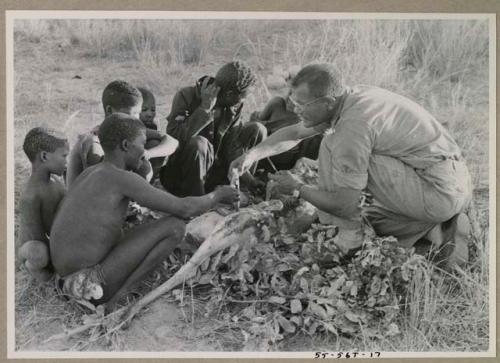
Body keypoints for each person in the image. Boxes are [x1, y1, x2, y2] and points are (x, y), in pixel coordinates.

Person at [231, 63, 472, 268]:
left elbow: (344, 205)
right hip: (448, 181)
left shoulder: (352, 126)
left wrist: (297, 187)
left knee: (331, 145)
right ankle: (440, 230)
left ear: (327, 101)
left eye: (301, 104)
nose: (294, 108)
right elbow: (295, 131)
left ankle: (348, 239)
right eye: (293, 101)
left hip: (439, 189)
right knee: (371, 222)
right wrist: (252, 155)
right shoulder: (351, 97)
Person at [50, 113, 239, 308]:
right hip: (88, 285)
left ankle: (102, 293)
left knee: (144, 228)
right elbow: (184, 208)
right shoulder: (121, 178)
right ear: (125, 146)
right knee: (175, 227)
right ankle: (118, 299)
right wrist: (217, 196)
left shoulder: (92, 172)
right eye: (142, 144)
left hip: (65, 280)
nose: (144, 151)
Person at [160, 61, 267, 197]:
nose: (243, 102)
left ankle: (241, 190)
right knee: (199, 143)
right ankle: (198, 200)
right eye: (242, 98)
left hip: (215, 172)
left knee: (257, 129)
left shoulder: (234, 105)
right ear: (229, 94)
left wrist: (250, 180)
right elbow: (173, 138)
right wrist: (204, 108)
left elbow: (231, 148)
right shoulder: (186, 95)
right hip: (183, 176)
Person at [66, 80, 178, 186]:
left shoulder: (126, 129)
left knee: (153, 143)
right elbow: (104, 181)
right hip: (90, 201)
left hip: (111, 193)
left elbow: (172, 142)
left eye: (138, 113)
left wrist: (148, 154)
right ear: (110, 110)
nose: (136, 119)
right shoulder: (93, 141)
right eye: (130, 114)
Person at [18, 127, 69, 282]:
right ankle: (32, 269)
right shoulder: (30, 196)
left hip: (52, 236)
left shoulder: (55, 182)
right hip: (33, 246)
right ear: (45, 156)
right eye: (64, 156)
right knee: (39, 254)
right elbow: (37, 236)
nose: (67, 162)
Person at [252, 92, 323, 171]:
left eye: (298, 102)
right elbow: (256, 122)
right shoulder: (277, 103)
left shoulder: (308, 122)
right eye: (291, 95)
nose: (291, 101)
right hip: (260, 149)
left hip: (284, 160)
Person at [138, 87, 166, 181]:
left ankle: (152, 179)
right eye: (144, 109)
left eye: (153, 110)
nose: (150, 114)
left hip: (146, 158)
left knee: (157, 144)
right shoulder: (131, 123)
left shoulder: (153, 124)